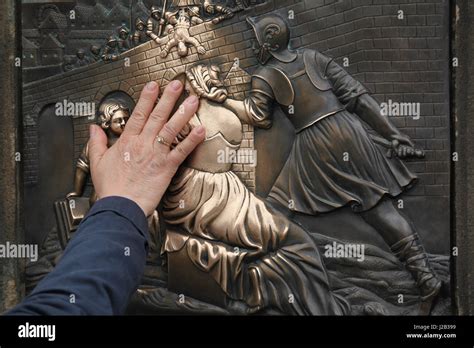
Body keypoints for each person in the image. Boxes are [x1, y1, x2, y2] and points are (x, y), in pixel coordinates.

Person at [208, 13, 442, 312]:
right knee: (378, 208)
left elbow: (258, 116)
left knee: (277, 209)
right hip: (350, 132)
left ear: (267, 41)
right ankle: (426, 279)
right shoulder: (314, 58)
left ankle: (263, 284)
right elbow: (358, 98)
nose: (254, 47)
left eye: (255, 39)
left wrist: (223, 99)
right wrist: (393, 134)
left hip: (315, 143)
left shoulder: (264, 75)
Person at [162, 64, 349, 315]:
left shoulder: (189, 119)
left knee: (289, 240)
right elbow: (258, 117)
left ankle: (287, 295)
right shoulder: (220, 115)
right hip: (207, 197)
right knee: (295, 241)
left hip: (208, 192)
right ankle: (302, 300)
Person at [6, 80, 206, 315]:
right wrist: (93, 197)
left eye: (124, 119)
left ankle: (147, 256)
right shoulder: (96, 145)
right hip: (107, 200)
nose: (122, 123)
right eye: (117, 120)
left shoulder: (133, 139)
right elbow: (82, 166)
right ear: (106, 123)